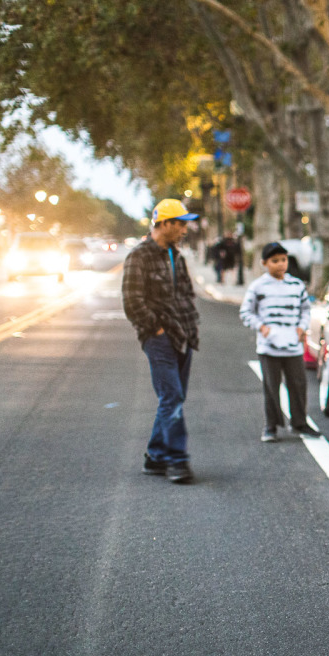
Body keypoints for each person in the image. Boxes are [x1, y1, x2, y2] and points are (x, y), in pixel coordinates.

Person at [122, 199, 200, 484]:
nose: (184, 229)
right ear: (164, 224)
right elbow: (132, 301)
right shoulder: (139, 256)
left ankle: (155, 456)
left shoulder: (176, 255)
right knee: (172, 397)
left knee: (173, 397)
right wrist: (155, 330)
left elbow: (187, 295)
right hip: (159, 338)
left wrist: (191, 328)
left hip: (183, 335)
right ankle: (177, 461)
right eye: (180, 224)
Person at [239, 242, 320, 442]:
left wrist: (302, 327)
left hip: (293, 345)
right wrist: (262, 327)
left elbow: (305, 310)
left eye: (283, 260)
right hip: (269, 347)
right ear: (265, 263)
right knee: (271, 387)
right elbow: (246, 312)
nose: (280, 265)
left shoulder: (296, 285)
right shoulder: (258, 286)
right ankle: (271, 426)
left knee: (298, 385)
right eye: (275, 261)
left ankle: (299, 423)